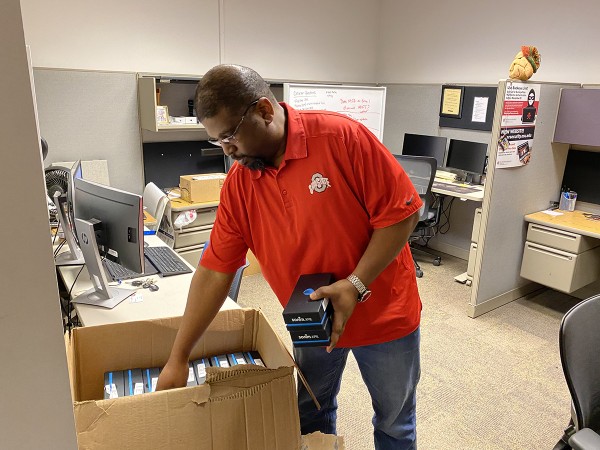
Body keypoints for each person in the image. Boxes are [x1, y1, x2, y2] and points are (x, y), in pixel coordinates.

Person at [156, 64, 423, 449]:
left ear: (264, 110)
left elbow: (403, 213)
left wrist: (355, 283)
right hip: (312, 317)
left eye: (229, 135)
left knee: (395, 423)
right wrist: (178, 357)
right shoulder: (239, 185)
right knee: (310, 412)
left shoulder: (340, 138)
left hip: (384, 313)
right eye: (217, 141)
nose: (227, 150)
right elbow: (215, 271)